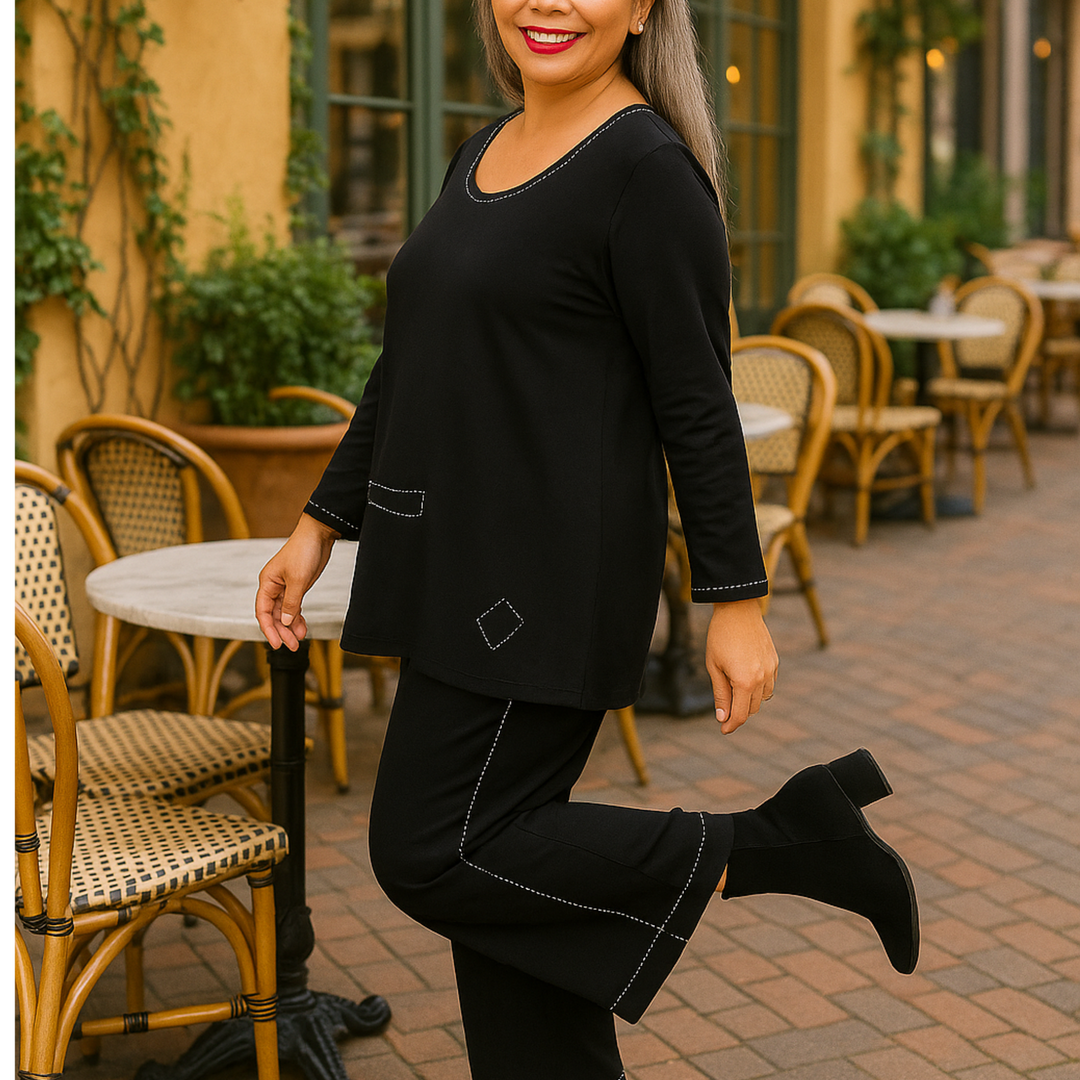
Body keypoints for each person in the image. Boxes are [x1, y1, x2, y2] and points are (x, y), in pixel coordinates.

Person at [255, 0, 919, 1074]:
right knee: (507, 901)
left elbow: (697, 402)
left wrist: (735, 598)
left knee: (431, 849)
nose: (548, 3)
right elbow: (408, 368)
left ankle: (785, 842)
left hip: (547, 583)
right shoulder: (486, 147)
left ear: (647, 5)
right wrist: (320, 521)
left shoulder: (648, 170)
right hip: (450, 569)